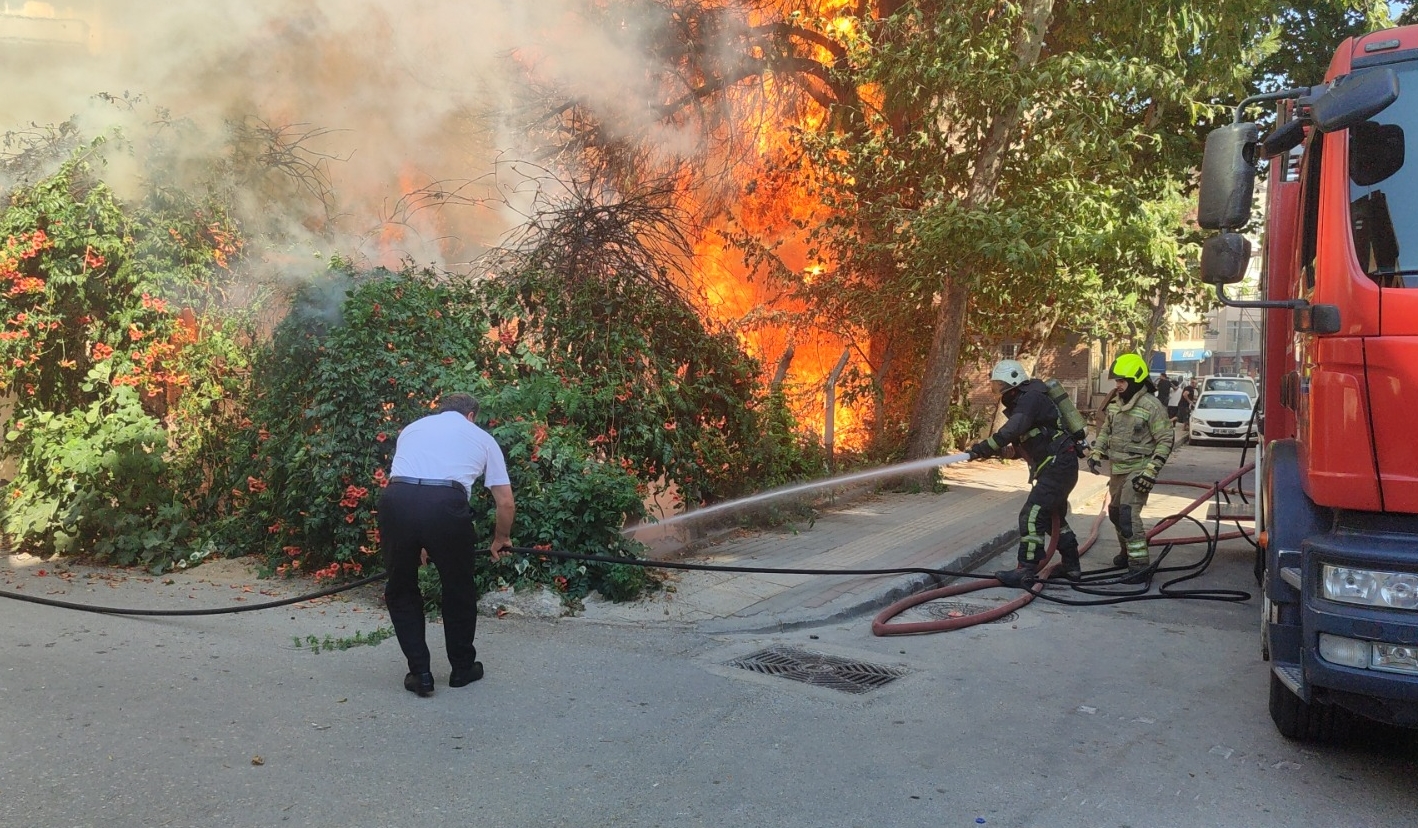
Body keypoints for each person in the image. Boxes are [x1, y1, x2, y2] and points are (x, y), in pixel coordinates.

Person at [379, 392, 516, 697]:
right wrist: (501, 539)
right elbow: (505, 502)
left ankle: (420, 674)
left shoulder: (413, 428)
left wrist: (423, 539)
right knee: (458, 588)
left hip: (396, 500)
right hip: (445, 505)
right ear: (471, 415)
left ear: (441, 411)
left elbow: (414, 482)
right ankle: (462, 669)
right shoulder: (480, 437)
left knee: (401, 588)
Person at [967, 359, 1084, 587]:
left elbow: (1013, 430)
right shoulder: (1026, 401)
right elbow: (1027, 443)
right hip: (1058, 465)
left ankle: (1026, 569)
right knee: (1053, 519)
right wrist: (995, 452)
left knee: (1031, 515)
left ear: (1013, 381)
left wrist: (984, 447)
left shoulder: (1031, 398)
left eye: (999, 384)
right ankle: (1072, 566)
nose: (997, 389)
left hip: (1059, 466)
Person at [1087, 354, 1174, 578]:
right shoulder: (1116, 404)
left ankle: (1140, 567)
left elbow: (1165, 440)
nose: (1117, 386)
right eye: (1116, 381)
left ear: (1135, 380)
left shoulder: (1151, 406)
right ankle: (1126, 553)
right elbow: (1106, 429)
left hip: (1139, 469)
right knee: (1115, 513)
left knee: (1128, 514)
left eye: (1121, 381)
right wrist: (1097, 452)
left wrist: (1151, 472)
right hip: (1118, 469)